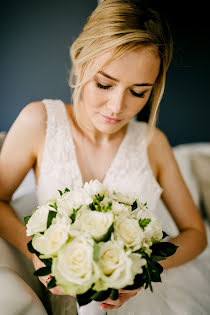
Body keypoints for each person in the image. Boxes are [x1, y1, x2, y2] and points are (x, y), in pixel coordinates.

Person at [0, 0, 209, 314]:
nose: (116, 106)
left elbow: (196, 235)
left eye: (138, 92)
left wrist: (141, 269)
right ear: (80, 62)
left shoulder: (153, 144)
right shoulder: (38, 122)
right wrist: (34, 253)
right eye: (104, 84)